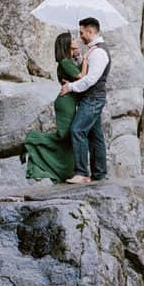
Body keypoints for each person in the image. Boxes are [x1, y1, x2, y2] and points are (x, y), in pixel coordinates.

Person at [22, 32, 89, 182]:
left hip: (69, 101)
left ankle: (69, 172)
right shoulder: (65, 62)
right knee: (64, 136)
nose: (75, 40)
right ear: (66, 43)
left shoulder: (69, 61)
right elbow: (82, 78)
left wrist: (78, 57)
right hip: (66, 102)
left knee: (69, 139)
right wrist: (84, 59)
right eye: (72, 39)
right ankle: (33, 140)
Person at [62, 17, 110, 184]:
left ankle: (82, 173)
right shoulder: (94, 51)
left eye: (81, 33)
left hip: (93, 98)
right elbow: (87, 72)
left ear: (90, 32)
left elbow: (90, 80)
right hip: (92, 98)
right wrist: (80, 59)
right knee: (95, 136)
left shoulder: (99, 53)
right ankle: (99, 173)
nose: (80, 36)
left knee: (78, 130)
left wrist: (71, 87)